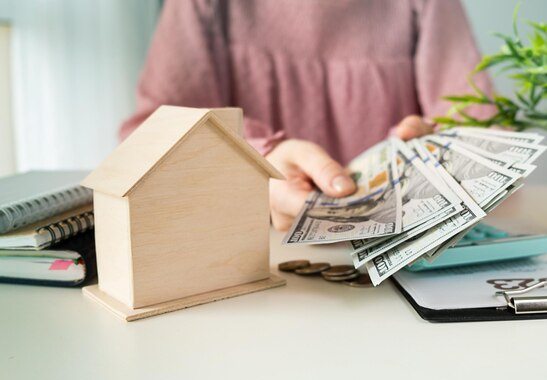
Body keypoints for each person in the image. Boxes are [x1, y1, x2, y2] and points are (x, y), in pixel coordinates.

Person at [120, 0, 494, 230]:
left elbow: (481, 132)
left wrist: (439, 148)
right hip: (254, 260)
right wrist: (255, 162)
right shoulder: (206, 5)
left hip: (399, 262)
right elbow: (148, 136)